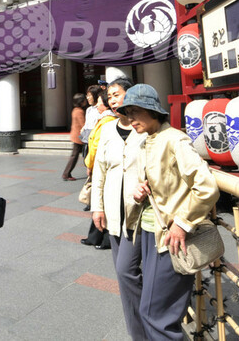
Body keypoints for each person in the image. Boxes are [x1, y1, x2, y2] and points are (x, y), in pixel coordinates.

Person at [123, 84, 219, 341]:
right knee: (153, 310)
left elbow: (207, 187)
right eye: (127, 113)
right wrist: (143, 190)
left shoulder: (175, 139)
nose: (130, 119)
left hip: (170, 237)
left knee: (157, 314)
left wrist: (183, 223)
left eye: (135, 112)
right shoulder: (149, 139)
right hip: (150, 232)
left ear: (152, 111)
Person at [89, 77, 147, 339]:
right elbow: (99, 171)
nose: (112, 100)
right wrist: (96, 207)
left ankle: (150, 324)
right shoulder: (108, 130)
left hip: (142, 213)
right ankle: (138, 331)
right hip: (113, 213)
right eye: (109, 96)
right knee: (125, 277)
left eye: (117, 94)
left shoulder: (146, 127)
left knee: (127, 272)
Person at [81, 88, 116, 249]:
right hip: (98, 163)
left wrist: (90, 164)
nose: (97, 104)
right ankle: (95, 237)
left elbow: (96, 146)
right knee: (100, 201)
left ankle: (105, 238)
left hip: (100, 165)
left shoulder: (107, 120)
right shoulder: (103, 118)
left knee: (104, 201)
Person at [62, 93, 86, 181]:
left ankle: (66, 173)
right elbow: (83, 125)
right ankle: (66, 173)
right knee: (74, 156)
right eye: (84, 100)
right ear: (81, 101)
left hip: (76, 136)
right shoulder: (79, 111)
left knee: (75, 155)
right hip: (78, 137)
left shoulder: (75, 110)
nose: (85, 101)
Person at [81, 85, 102, 157]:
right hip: (87, 139)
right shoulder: (89, 110)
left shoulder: (101, 109)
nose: (87, 98)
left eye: (90, 95)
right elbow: (87, 124)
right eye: (87, 95)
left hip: (96, 140)